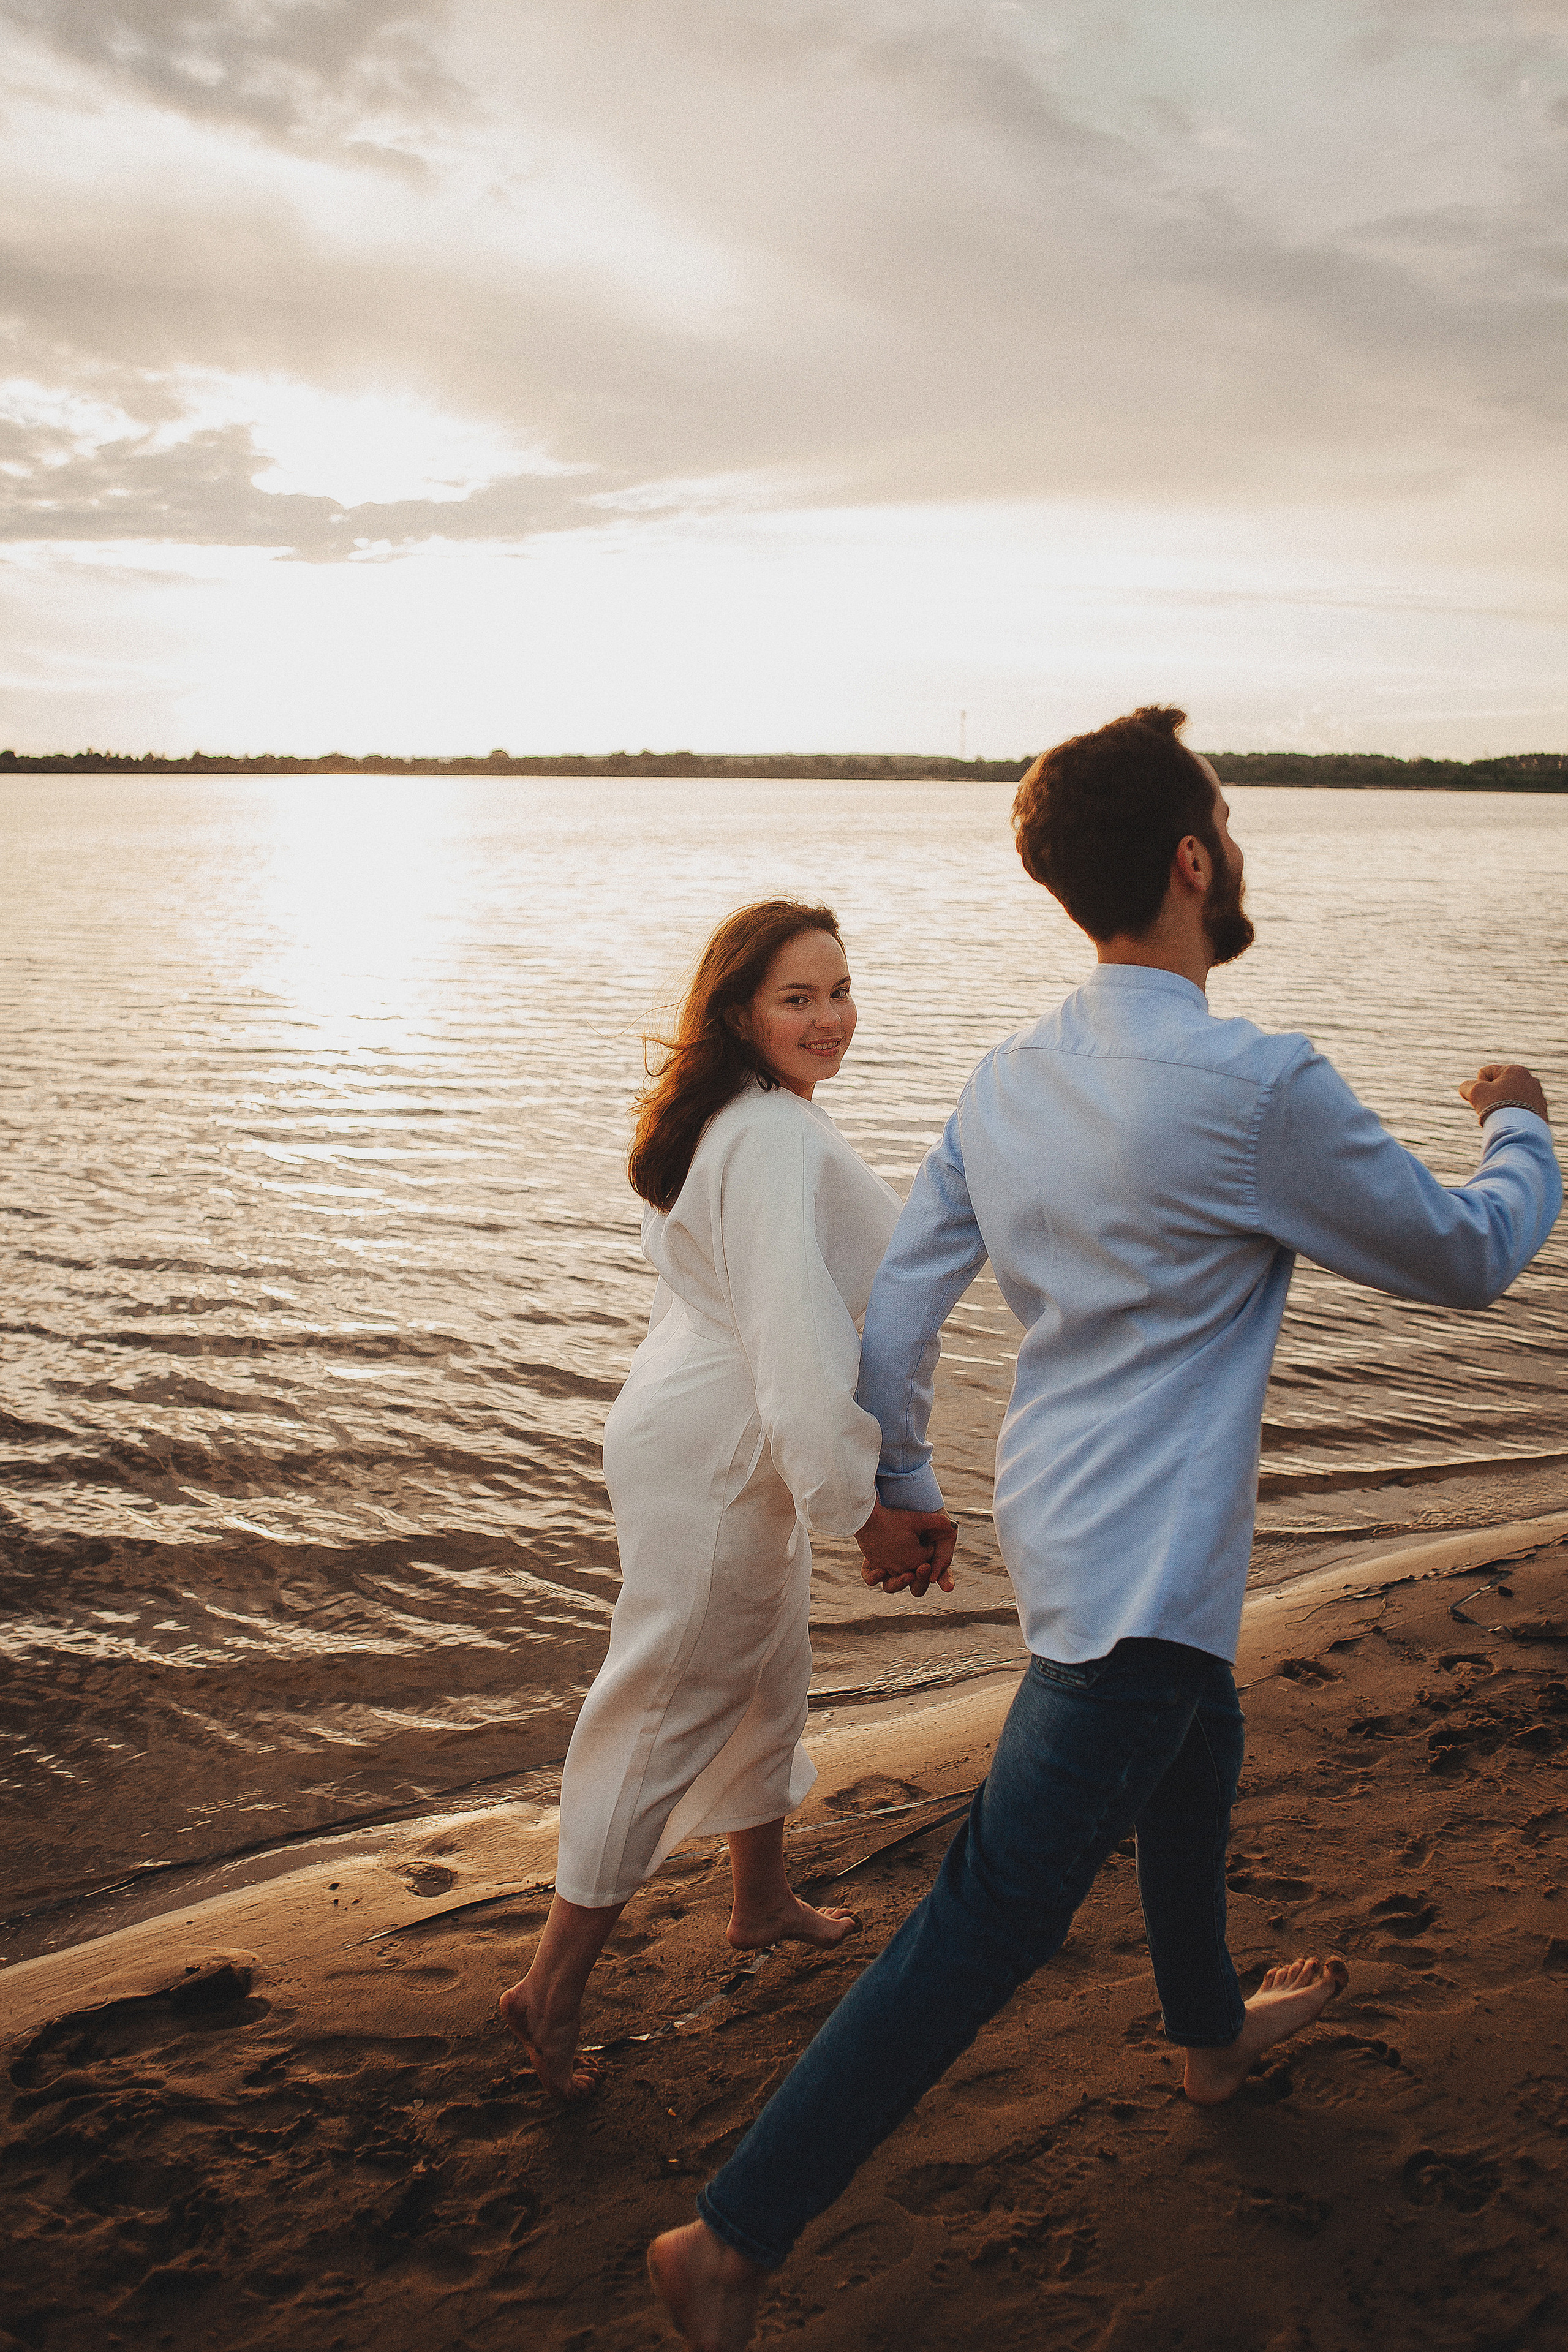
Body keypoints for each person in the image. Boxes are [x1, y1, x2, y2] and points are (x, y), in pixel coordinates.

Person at [647, 706, 1562, 2348]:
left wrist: (913, 1477)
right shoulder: (1256, 1083)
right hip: (1139, 1578)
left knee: (1195, 1758)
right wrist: (1521, 1125)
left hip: (1068, 1537)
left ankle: (1209, 2038)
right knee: (991, 1915)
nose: (1235, 842)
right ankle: (728, 2237)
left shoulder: (1013, 1079)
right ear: (1196, 858)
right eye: (1227, 818)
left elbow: (904, 1311)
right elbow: (1469, 1259)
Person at [500, 899, 952, 2098]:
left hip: (696, 1419)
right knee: (660, 1710)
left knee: (764, 1673)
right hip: (719, 1443)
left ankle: (758, 1904)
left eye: (840, 991)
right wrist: (860, 1507)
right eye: (796, 997)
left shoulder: (746, 1116)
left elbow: (763, 1317)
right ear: (739, 1011)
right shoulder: (766, 1138)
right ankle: (547, 1990)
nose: (829, 1018)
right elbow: (796, 1345)